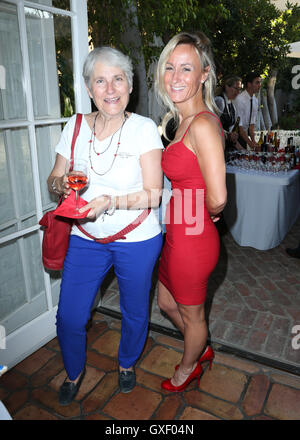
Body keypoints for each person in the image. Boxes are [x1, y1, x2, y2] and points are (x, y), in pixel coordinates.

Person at [47, 46, 163, 404]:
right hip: (85, 237)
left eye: (118, 78)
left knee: (134, 310)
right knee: (69, 315)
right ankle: (74, 370)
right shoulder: (75, 126)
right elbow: (54, 178)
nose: (110, 88)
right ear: (88, 87)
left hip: (137, 238)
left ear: (130, 84)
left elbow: (154, 194)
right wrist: (60, 185)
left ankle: (126, 363)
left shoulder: (143, 129)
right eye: (100, 80)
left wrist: (110, 202)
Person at [155, 31, 227, 392]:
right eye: (170, 67)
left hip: (192, 240)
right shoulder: (182, 120)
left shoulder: (200, 124)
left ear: (204, 74)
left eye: (187, 68)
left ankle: (188, 367)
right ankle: (200, 346)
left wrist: (205, 212)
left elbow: (218, 199)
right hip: (178, 234)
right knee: (166, 301)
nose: (176, 77)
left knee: (192, 314)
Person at [215, 75, 245, 152]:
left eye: (240, 89)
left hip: (226, 148)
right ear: (227, 87)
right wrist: (228, 134)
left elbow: (231, 132)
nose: (238, 92)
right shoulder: (220, 101)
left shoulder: (232, 106)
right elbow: (211, 125)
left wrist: (242, 151)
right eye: (236, 88)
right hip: (216, 147)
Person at [233, 72, 262, 150]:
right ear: (249, 84)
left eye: (260, 82)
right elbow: (240, 127)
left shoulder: (255, 100)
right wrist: (251, 144)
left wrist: (253, 141)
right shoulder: (239, 99)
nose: (260, 85)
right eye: (257, 82)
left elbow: (252, 125)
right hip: (235, 135)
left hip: (245, 135)